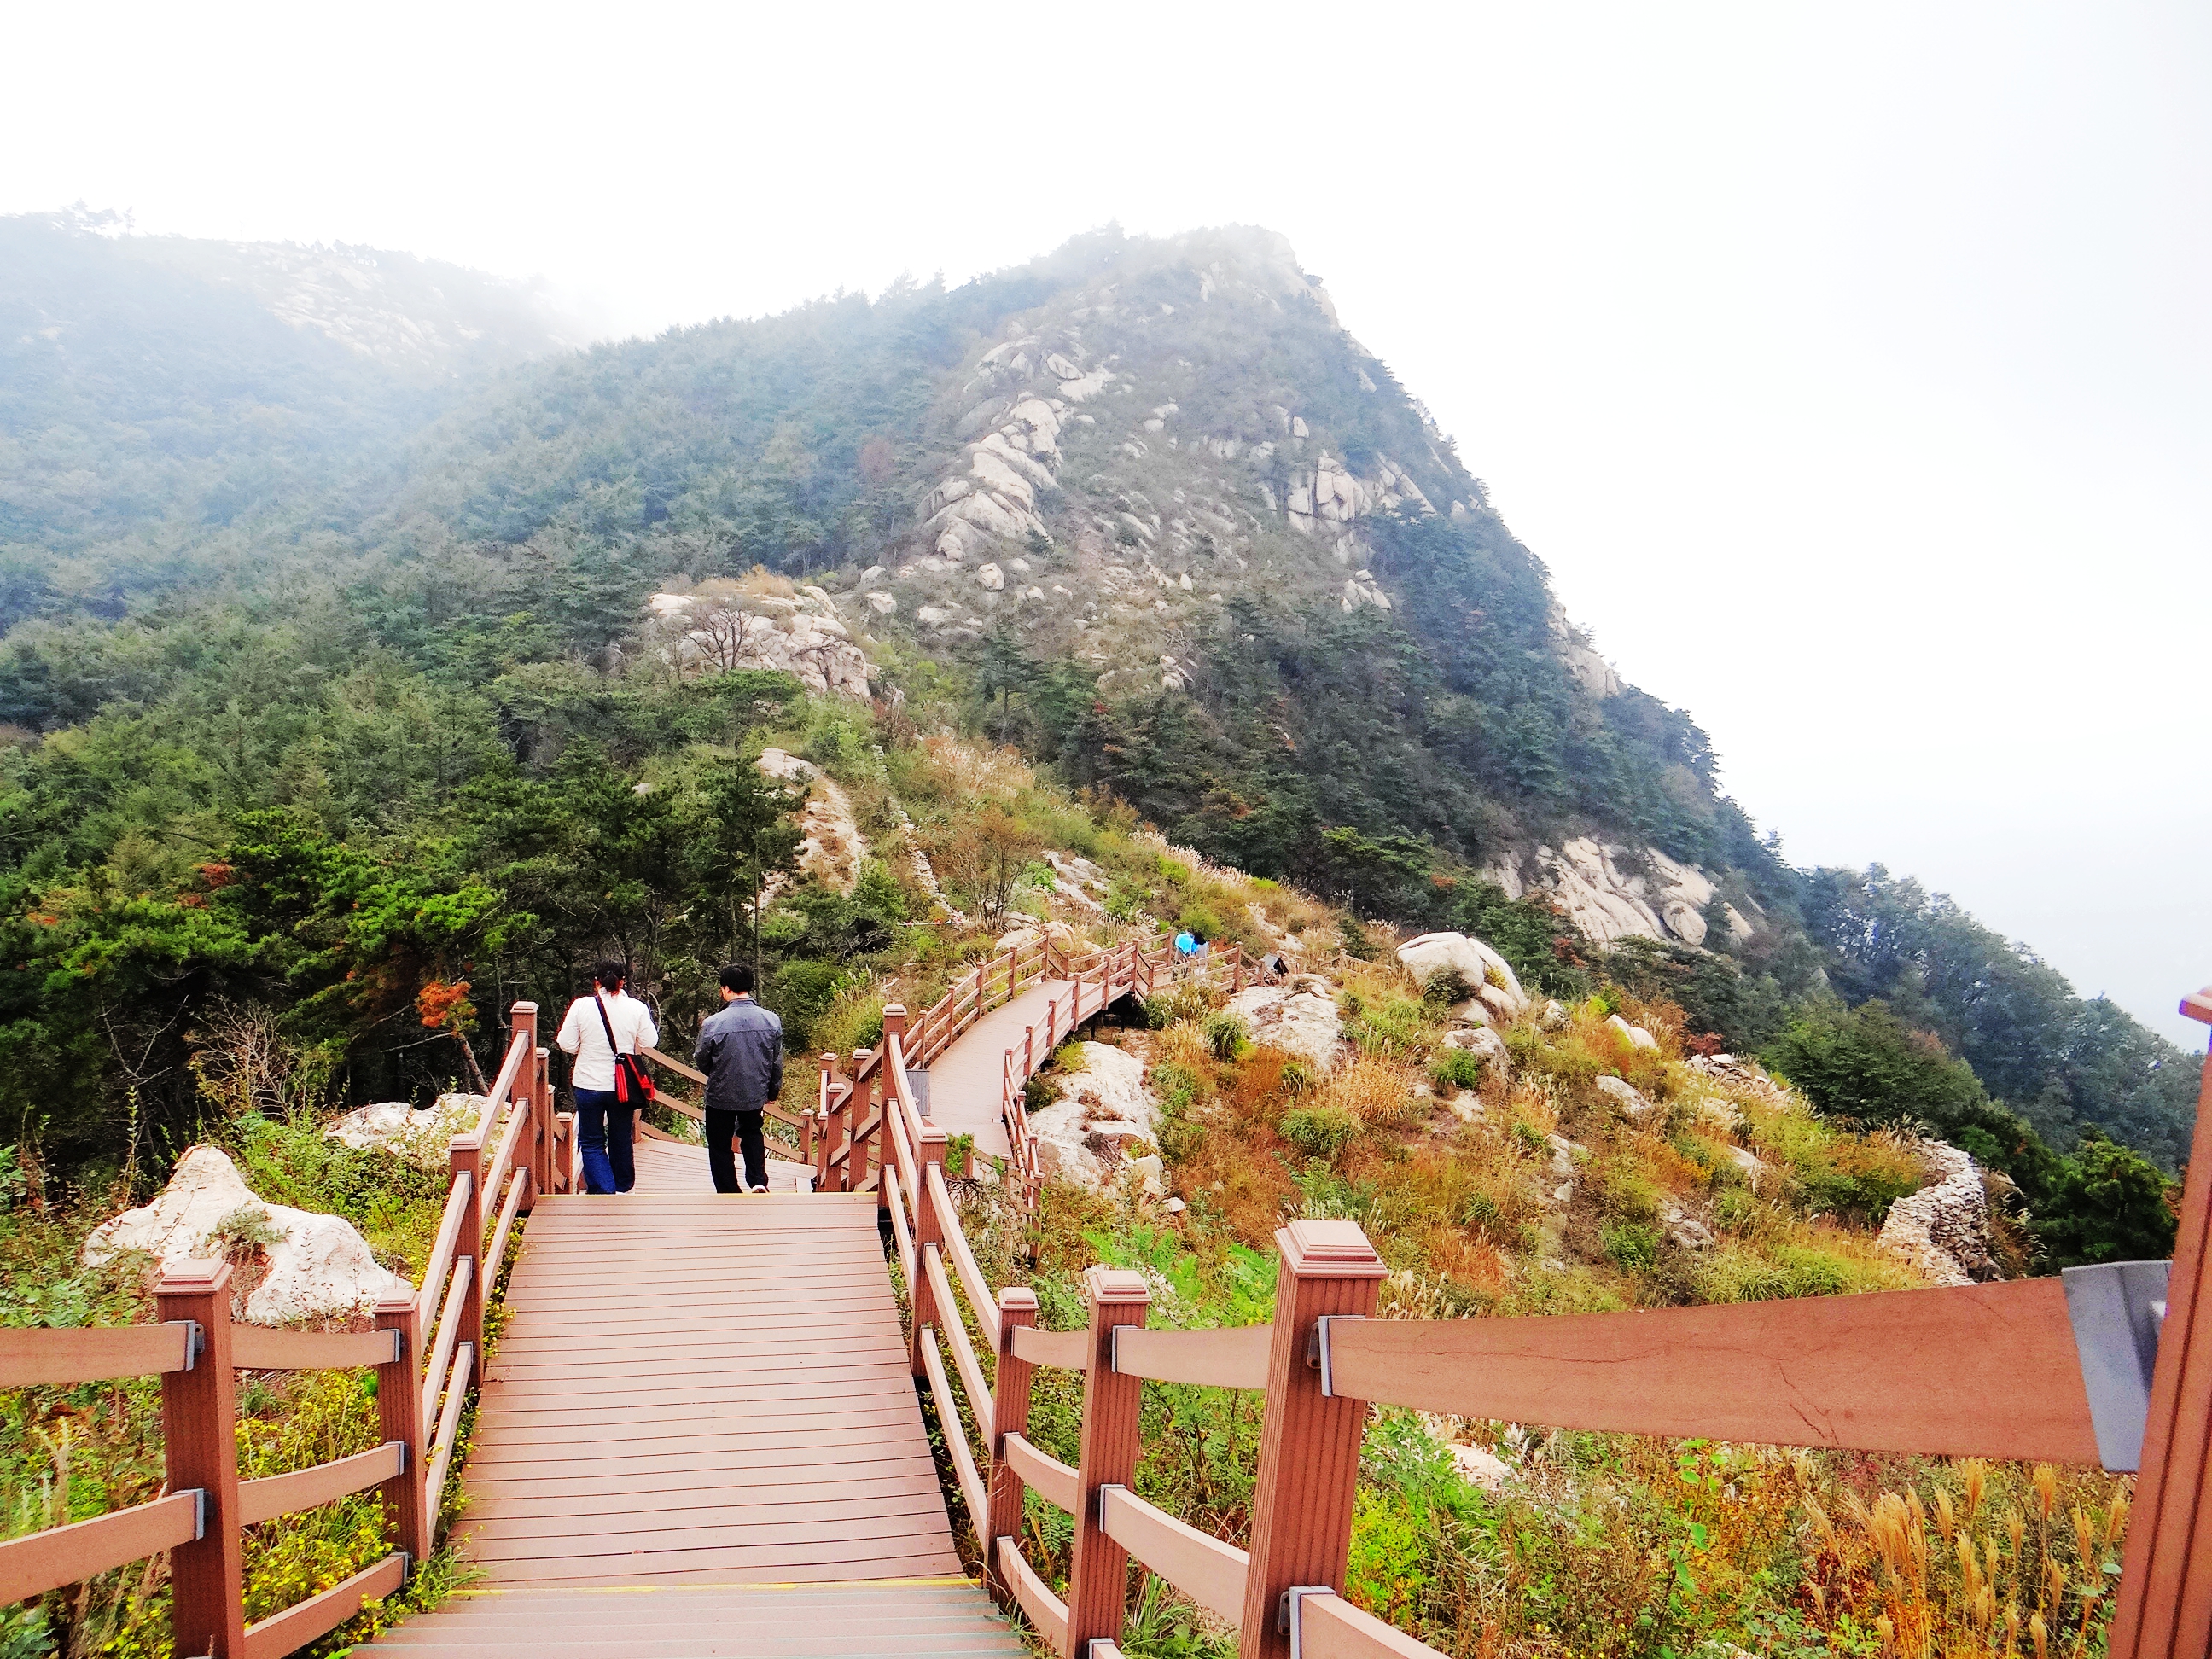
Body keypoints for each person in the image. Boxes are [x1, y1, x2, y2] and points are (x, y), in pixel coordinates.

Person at [556, 959, 658, 1196]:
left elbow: (567, 1043)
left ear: (596, 982)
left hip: (588, 1083)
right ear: (623, 981)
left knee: (591, 1141)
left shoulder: (581, 1006)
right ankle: (623, 1187)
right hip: (623, 1086)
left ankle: (604, 1190)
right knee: (620, 1136)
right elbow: (650, 1042)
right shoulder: (637, 1008)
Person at [692, 963, 783, 1194]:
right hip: (754, 1091)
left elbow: (702, 1059)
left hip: (721, 1093)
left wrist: (716, 1073)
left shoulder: (713, 1023)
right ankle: (758, 1181)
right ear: (749, 987)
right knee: (752, 1132)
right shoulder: (771, 1020)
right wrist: (772, 1091)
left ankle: (728, 1189)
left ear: (725, 989)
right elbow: (775, 1062)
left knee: (720, 1142)